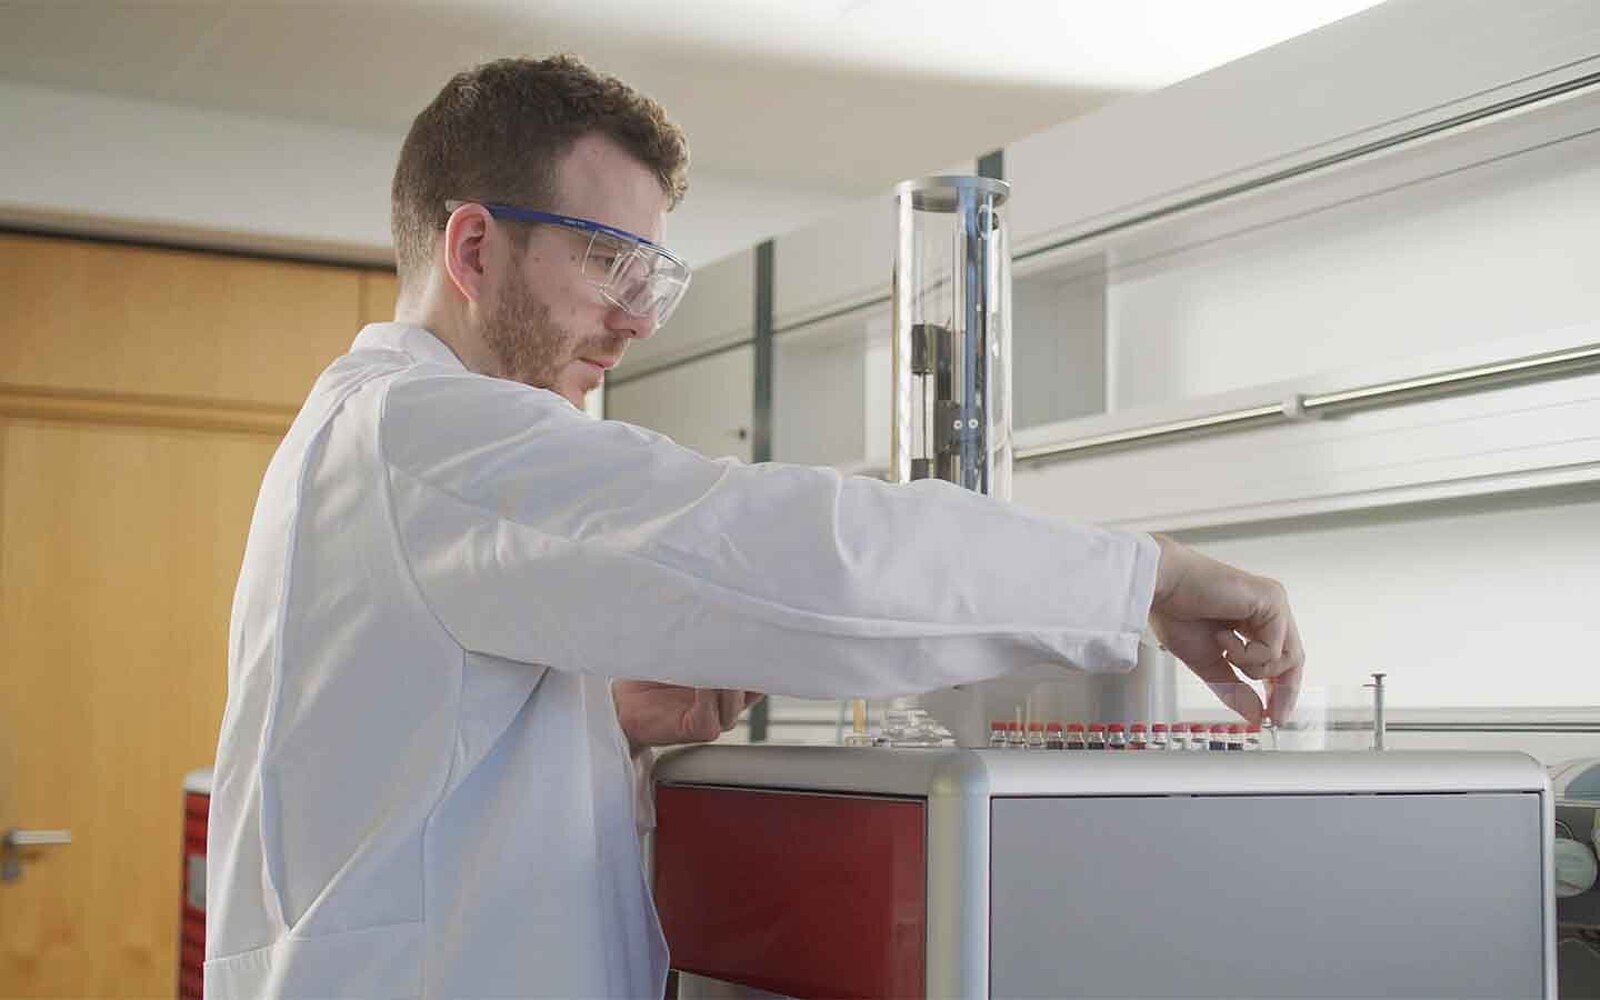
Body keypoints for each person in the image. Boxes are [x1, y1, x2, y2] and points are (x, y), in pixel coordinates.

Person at [205, 55, 1303, 999]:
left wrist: (600, 728)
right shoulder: (428, 434)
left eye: (652, 278)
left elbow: (416, 770)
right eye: (608, 262)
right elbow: (810, 560)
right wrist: (1146, 578)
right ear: (476, 250)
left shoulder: (374, 440)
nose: (635, 320)